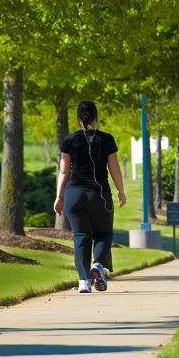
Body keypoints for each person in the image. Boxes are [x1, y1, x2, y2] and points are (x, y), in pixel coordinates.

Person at [54, 100, 126, 293]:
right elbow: (115, 168)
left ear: (78, 119)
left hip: (73, 194)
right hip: (99, 194)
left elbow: (63, 172)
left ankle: (84, 281)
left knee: (81, 236)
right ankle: (98, 265)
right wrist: (121, 191)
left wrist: (59, 197)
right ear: (95, 117)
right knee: (103, 234)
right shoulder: (107, 139)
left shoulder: (70, 140)